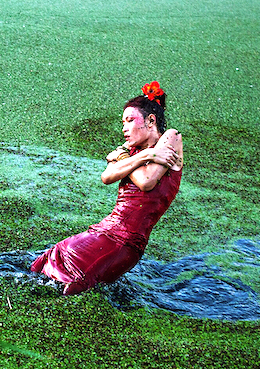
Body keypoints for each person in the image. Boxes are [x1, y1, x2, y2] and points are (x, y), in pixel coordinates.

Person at [30, 81, 183, 295]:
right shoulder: (130, 150)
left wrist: (127, 158)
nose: (124, 128)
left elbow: (146, 182)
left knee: (74, 286)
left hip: (126, 240)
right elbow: (107, 176)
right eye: (122, 122)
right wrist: (146, 155)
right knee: (53, 256)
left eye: (130, 120)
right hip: (104, 230)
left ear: (150, 120)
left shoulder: (171, 138)